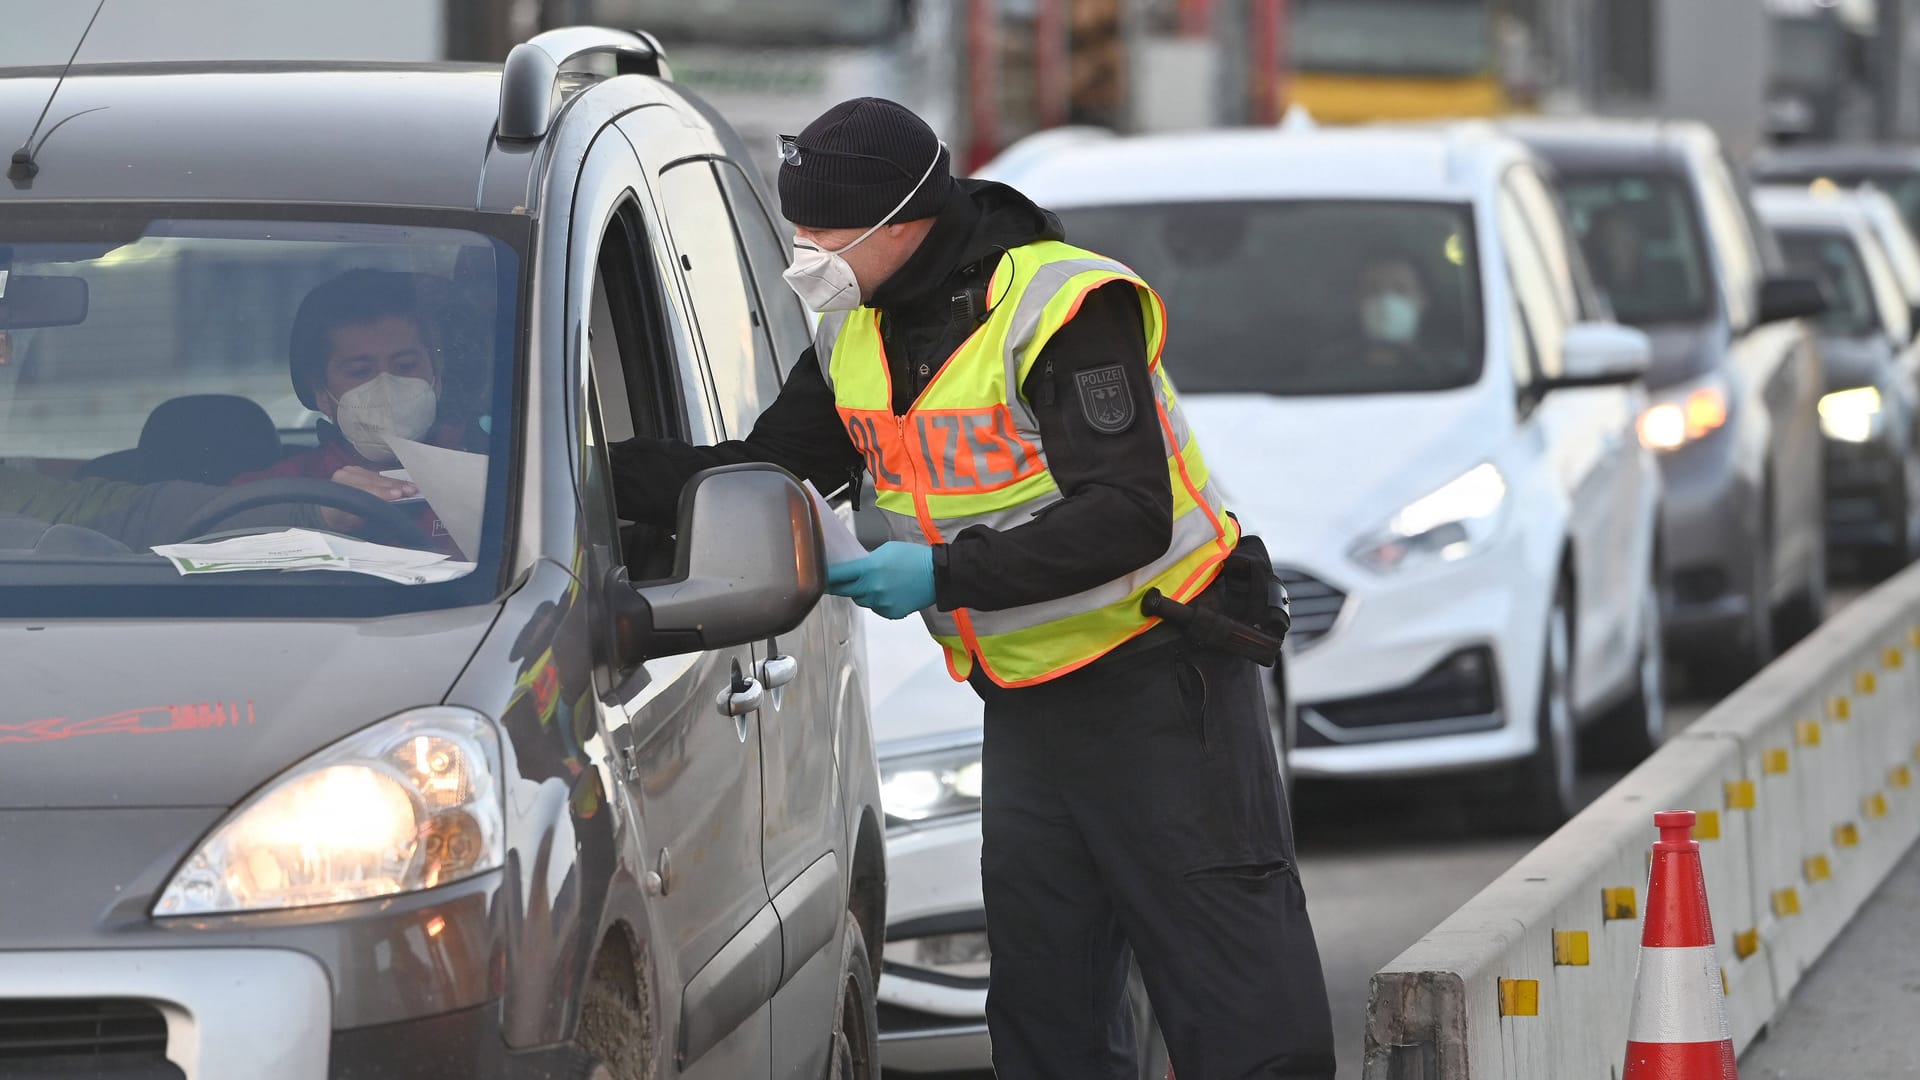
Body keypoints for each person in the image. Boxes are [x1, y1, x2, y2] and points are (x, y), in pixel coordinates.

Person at [611, 98, 1334, 1079]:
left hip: (1168, 687)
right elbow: (757, 473)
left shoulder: (1064, 309)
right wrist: (579, 477)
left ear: (899, 225)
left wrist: (943, 572)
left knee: (1231, 997)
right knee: (1046, 1010)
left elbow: (1129, 512)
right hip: (1029, 705)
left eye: (821, 230)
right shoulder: (857, 338)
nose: (804, 251)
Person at [230, 269, 484, 552]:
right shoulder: (287, 486)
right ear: (322, 394)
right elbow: (201, 524)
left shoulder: (492, 474)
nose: (386, 386)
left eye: (405, 366)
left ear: (436, 376)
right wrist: (319, 515)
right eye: (360, 371)